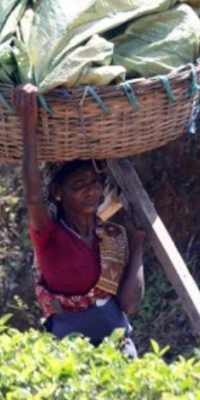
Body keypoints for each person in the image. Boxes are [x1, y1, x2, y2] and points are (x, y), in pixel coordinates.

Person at [12, 83, 145, 357]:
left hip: (119, 347)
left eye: (95, 183)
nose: (91, 191)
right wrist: (28, 127)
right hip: (73, 353)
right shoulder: (49, 237)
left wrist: (138, 245)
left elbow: (130, 305)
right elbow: (33, 196)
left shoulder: (112, 235)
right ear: (57, 193)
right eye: (79, 185)